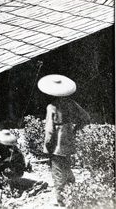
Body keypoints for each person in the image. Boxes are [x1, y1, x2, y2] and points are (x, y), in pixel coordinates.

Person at [39, 74, 91, 206]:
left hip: (57, 141)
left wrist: (46, 145)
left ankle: (61, 201)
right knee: (67, 167)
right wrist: (75, 129)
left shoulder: (51, 106)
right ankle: (74, 194)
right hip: (68, 138)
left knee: (57, 171)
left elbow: (49, 129)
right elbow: (86, 117)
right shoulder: (72, 103)